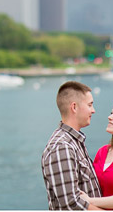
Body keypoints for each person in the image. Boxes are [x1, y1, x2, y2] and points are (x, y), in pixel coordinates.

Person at [41, 81, 103, 210]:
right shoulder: (61, 147)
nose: (93, 110)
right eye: (90, 105)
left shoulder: (73, 142)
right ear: (74, 107)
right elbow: (71, 204)